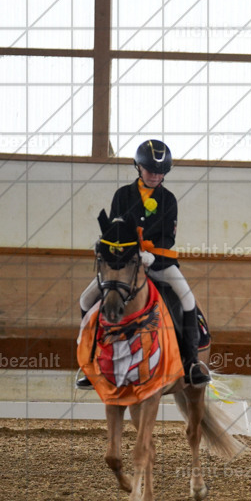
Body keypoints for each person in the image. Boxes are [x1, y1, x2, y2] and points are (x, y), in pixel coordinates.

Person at [77, 139, 210, 388]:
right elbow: (115, 229)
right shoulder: (122, 195)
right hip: (123, 265)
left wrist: (148, 252)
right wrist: (106, 244)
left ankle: (192, 363)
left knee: (187, 298)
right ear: (138, 167)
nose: (155, 176)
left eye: (160, 172)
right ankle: (90, 361)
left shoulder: (168, 200)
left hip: (158, 263)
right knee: (86, 300)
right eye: (150, 170)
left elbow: (168, 237)